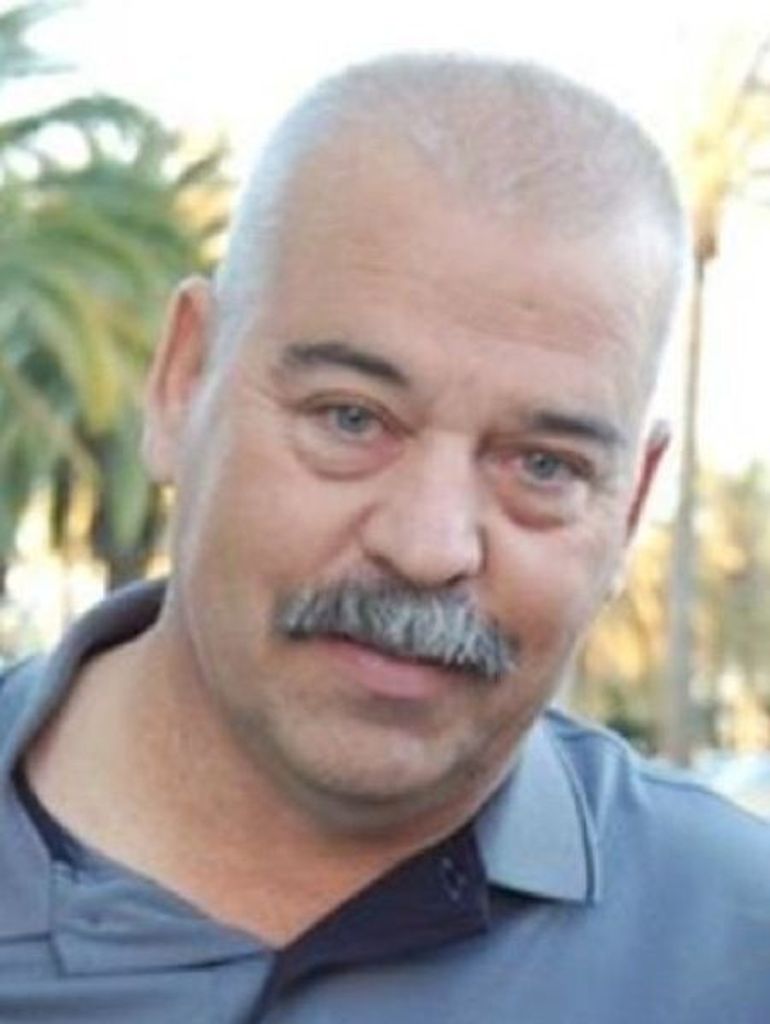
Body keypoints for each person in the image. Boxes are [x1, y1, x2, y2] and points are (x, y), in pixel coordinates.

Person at [0, 54, 768, 1024]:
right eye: (351, 418)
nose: (428, 545)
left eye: (542, 466)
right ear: (184, 382)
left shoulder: (736, 950)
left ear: (629, 505)